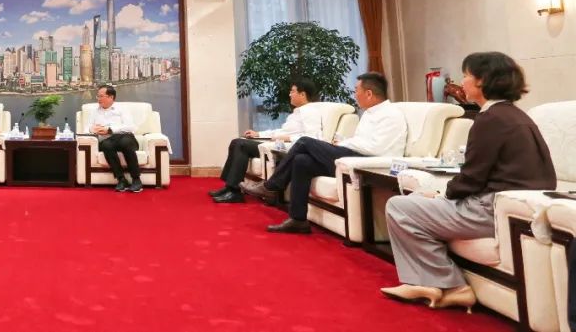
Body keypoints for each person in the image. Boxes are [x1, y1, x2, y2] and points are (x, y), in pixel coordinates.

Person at [381, 52, 555, 312]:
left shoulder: (490, 119)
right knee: (416, 201)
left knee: (399, 206)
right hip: (514, 207)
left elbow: (472, 177)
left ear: (482, 80)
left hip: (491, 208)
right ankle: (435, 283)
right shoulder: (516, 115)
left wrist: (443, 194)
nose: (461, 82)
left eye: (466, 76)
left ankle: (447, 285)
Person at [242, 72, 407, 233]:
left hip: (364, 161)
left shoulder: (390, 115)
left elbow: (377, 148)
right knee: (301, 161)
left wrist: (345, 142)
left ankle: (271, 186)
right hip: (351, 155)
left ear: (369, 94)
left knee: (305, 142)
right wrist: (344, 142)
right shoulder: (370, 113)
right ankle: (298, 220)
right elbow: (362, 141)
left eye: (357, 90)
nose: (355, 94)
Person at [211, 79, 323, 203]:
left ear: (302, 94)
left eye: (293, 91)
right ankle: (229, 187)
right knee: (236, 142)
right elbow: (280, 131)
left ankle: (234, 191)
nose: (290, 94)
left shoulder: (310, 112)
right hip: (276, 144)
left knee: (241, 144)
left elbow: (313, 137)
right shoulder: (296, 113)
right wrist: (258, 134)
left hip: (287, 149)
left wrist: (287, 138)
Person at [87, 84, 143, 193]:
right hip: (108, 141)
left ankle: (136, 179)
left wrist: (110, 129)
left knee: (125, 142)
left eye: (101, 96)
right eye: (98, 96)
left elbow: (131, 127)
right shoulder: (94, 111)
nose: (98, 99)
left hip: (125, 138)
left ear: (111, 97)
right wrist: (93, 129)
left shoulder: (122, 109)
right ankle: (121, 180)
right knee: (106, 145)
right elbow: (87, 127)